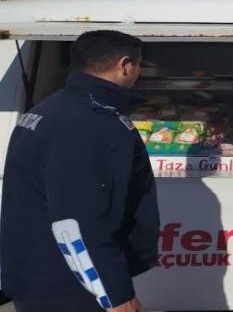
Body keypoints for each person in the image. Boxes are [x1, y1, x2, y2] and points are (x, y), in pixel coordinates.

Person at [0, 31, 159, 312]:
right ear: (125, 65)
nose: (139, 73)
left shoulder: (49, 108)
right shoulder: (94, 124)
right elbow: (80, 221)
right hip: (68, 286)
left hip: (36, 273)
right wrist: (114, 293)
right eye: (139, 64)